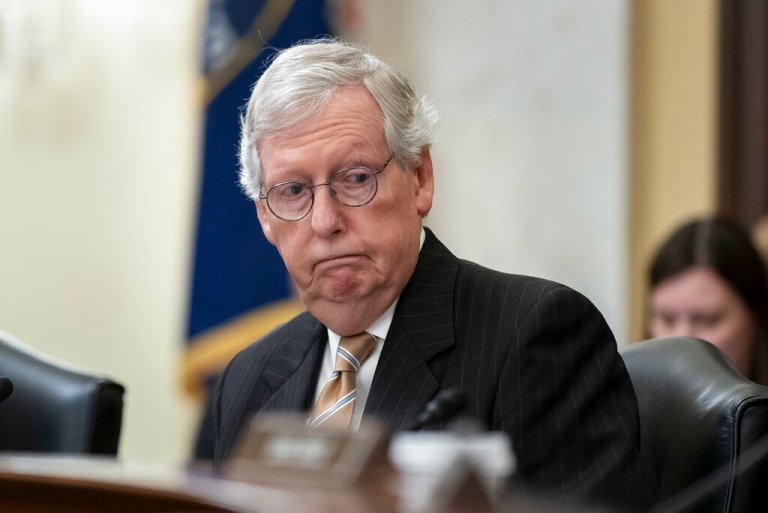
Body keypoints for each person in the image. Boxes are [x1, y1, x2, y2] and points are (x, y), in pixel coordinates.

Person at [213, 38, 653, 510]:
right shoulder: (250, 376)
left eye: (356, 178)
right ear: (264, 216)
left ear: (420, 177)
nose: (325, 221)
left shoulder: (536, 336)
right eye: (293, 191)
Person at [647, 215, 768, 385]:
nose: (681, 338)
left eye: (707, 320)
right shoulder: (618, 406)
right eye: (667, 319)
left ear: (755, 317)